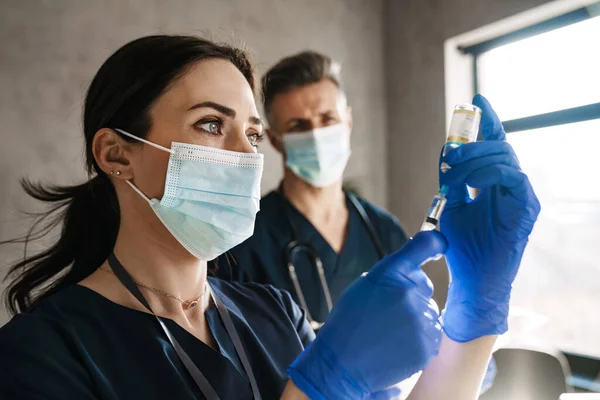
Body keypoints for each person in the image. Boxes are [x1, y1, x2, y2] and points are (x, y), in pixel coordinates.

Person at [0, 35, 540, 400]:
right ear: (117, 154)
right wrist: (321, 385)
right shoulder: (44, 352)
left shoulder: (273, 312)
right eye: (212, 125)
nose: (245, 154)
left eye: (253, 133)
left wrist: (477, 312)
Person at [214, 51, 409, 328]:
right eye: (298, 126)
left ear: (348, 122)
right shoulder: (244, 241)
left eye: (328, 119)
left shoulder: (384, 232)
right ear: (274, 140)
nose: (317, 135)